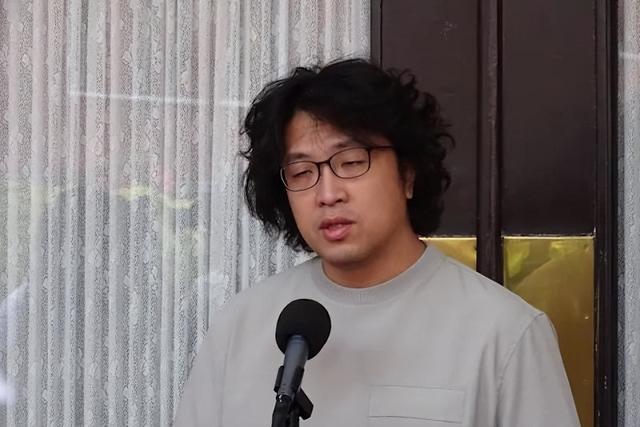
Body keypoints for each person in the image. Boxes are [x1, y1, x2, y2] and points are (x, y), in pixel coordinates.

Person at [174, 59, 579, 426]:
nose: (327, 194)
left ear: (408, 174)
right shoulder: (240, 327)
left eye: (351, 162)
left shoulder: (504, 333)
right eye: (301, 173)